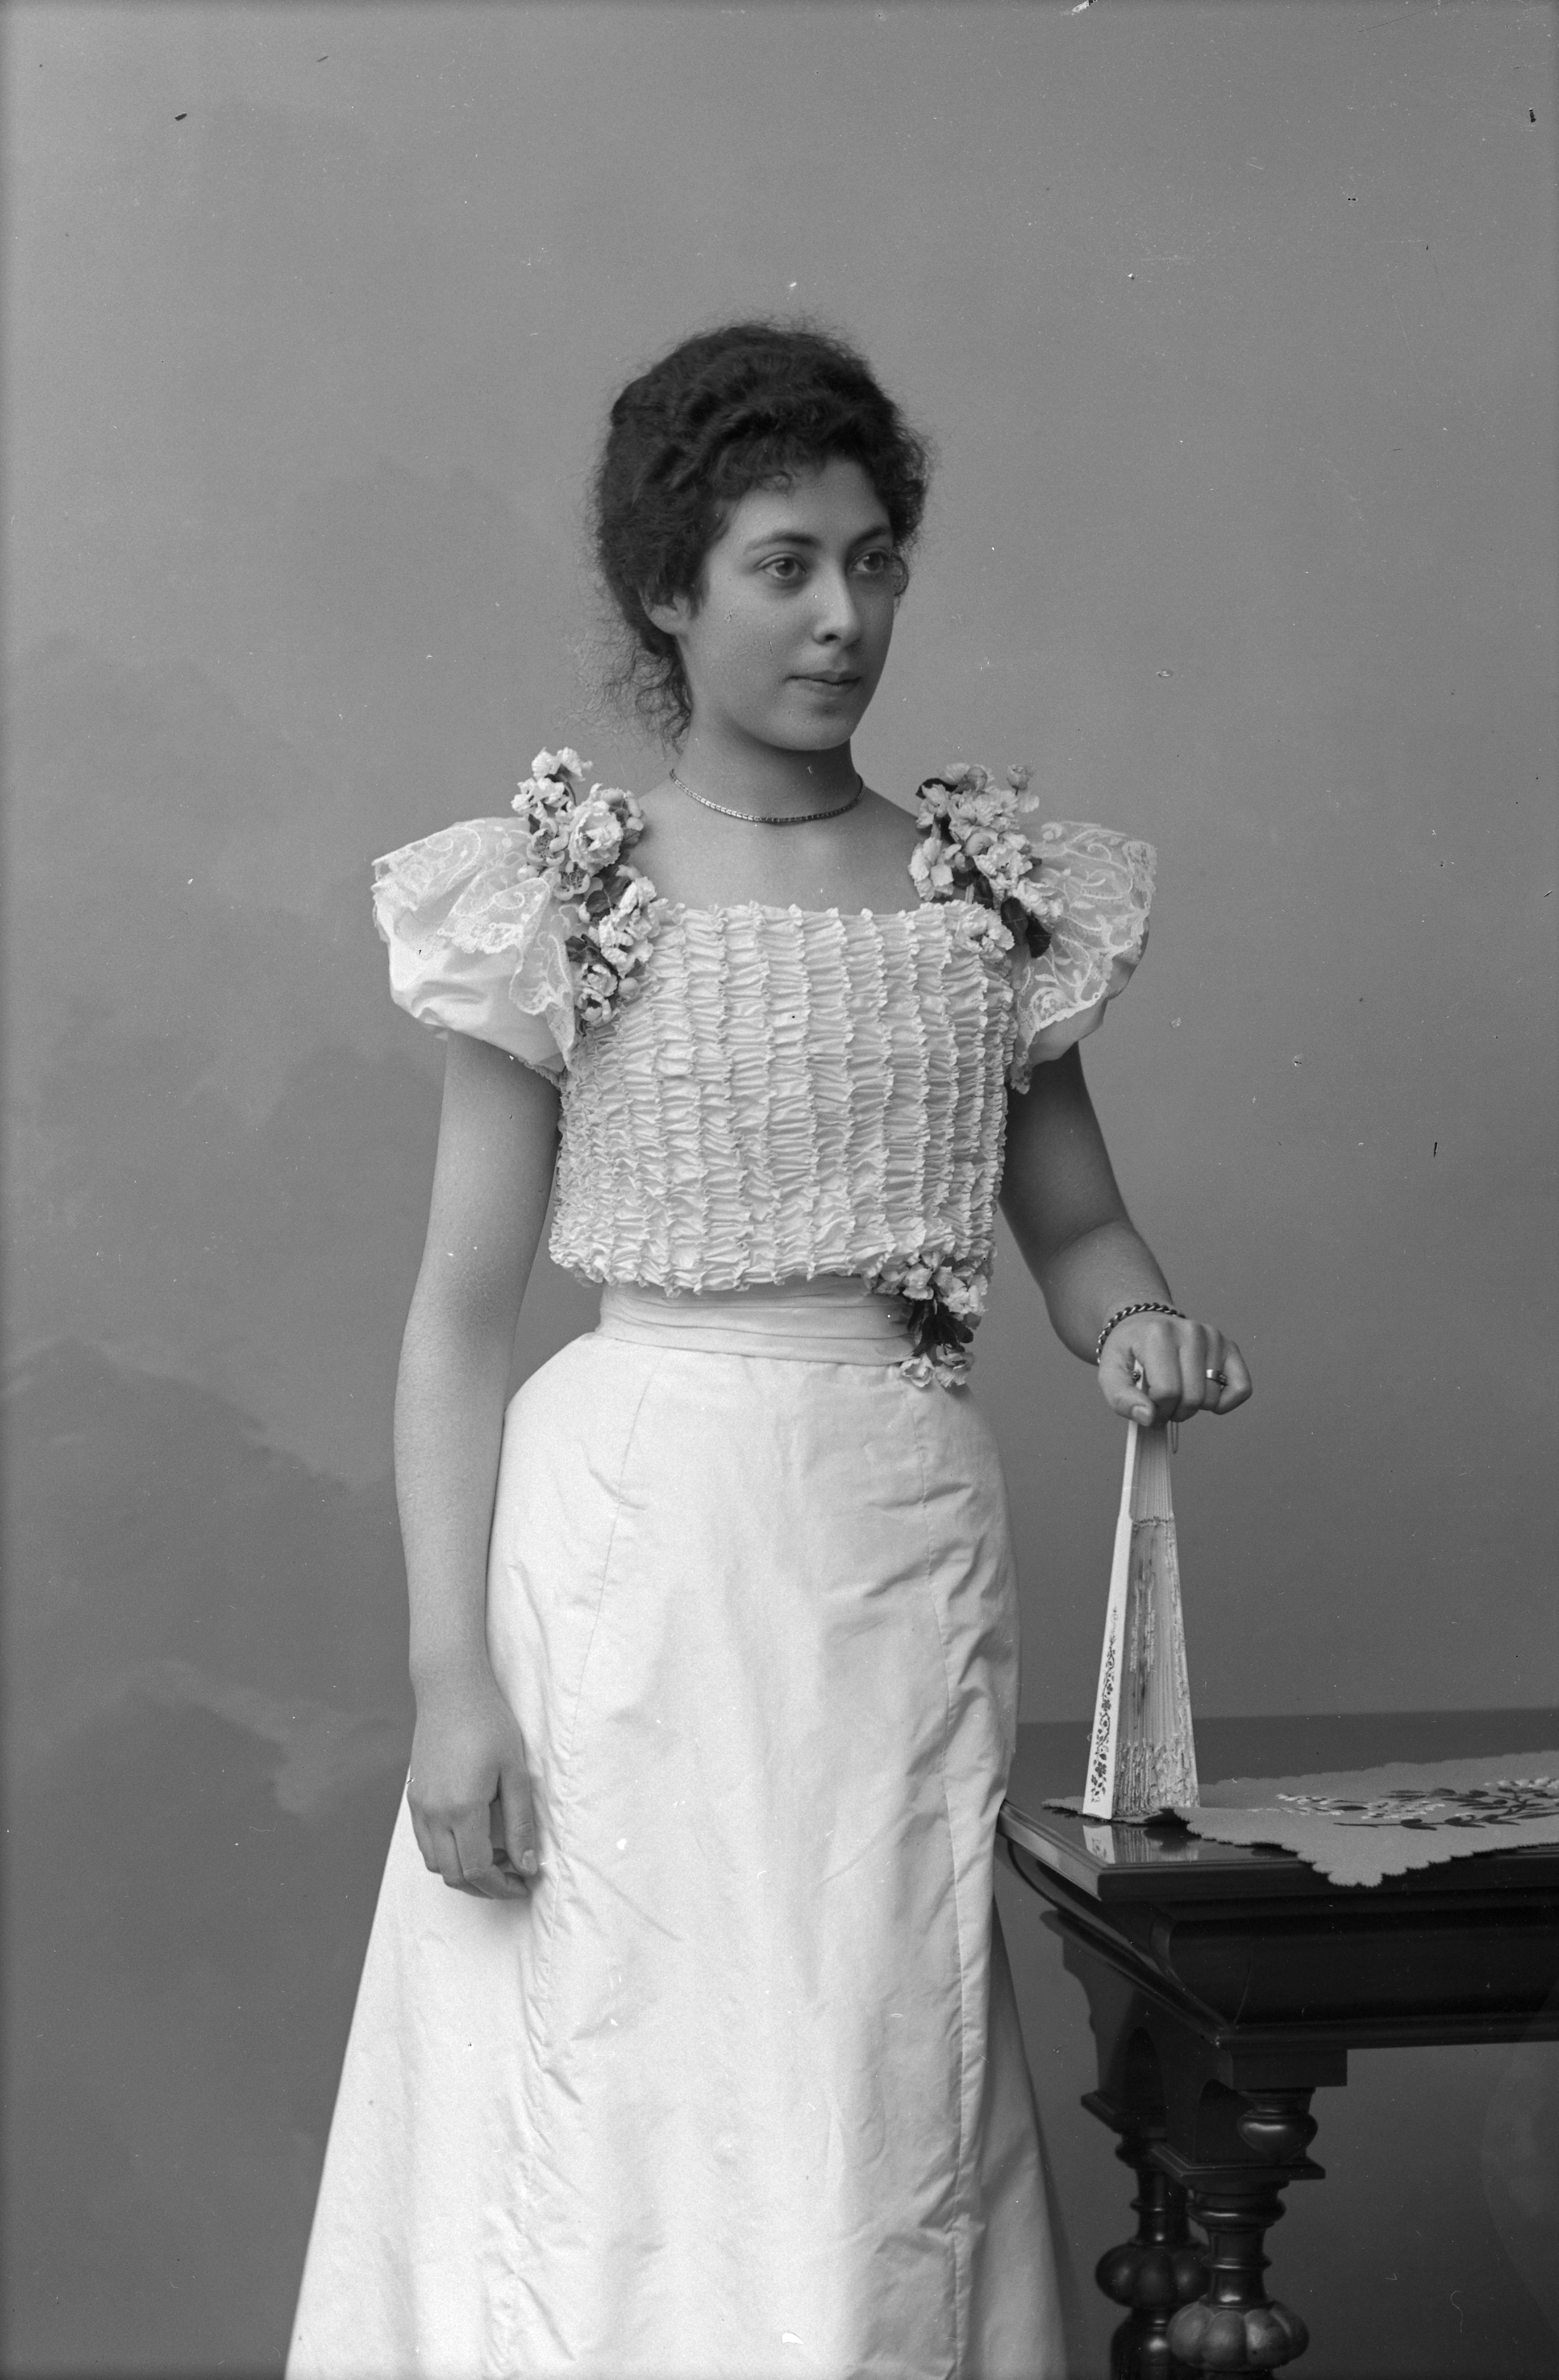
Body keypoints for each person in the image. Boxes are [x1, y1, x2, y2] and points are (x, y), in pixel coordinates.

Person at [287, 321, 1251, 2380]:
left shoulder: (985, 896)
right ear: (669, 587)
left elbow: (1075, 1225)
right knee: (611, 2056)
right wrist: (451, 1681)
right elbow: (458, 1318)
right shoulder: (566, 893)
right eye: (785, 566)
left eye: (875, 562)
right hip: (627, 1551)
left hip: (888, 1547)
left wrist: (1140, 1321)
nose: (843, 616)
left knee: (865, 2056)